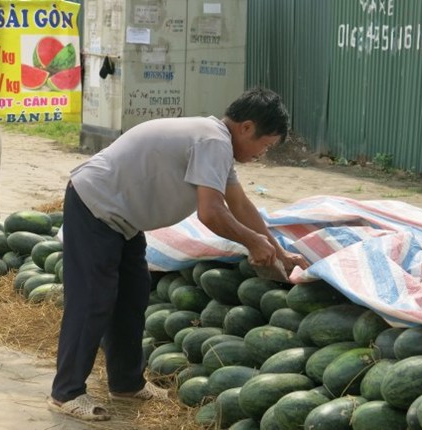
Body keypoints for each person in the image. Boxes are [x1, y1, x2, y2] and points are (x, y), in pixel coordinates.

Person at [47, 87, 310, 421]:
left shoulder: (217, 146)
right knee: (93, 299)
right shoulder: (212, 141)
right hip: (95, 205)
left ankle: (126, 383)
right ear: (246, 127)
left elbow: (240, 205)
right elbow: (211, 213)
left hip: (122, 220)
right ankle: (66, 393)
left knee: (132, 293)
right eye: (265, 144)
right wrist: (252, 243)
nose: (263, 154)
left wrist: (279, 252)